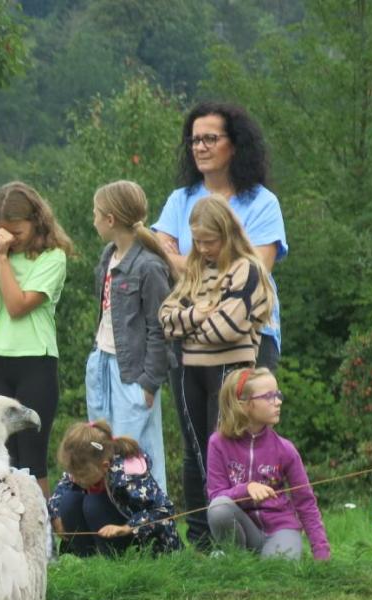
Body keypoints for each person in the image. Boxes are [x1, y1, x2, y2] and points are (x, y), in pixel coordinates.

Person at [159, 195, 272, 548]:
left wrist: (191, 323)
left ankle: (236, 537)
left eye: (211, 241)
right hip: (187, 372)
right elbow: (165, 319)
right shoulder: (194, 269)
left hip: (230, 369)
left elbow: (229, 327)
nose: (204, 248)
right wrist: (200, 313)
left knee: (225, 451)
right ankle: (201, 540)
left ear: (227, 234)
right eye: (198, 241)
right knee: (195, 454)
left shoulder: (246, 269)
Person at [153, 102, 286, 371]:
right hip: (190, 335)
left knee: (241, 414)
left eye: (210, 139)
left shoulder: (262, 203)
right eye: (194, 140)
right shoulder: (180, 200)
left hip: (249, 335)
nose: (200, 147)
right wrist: (224, 263)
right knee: (193, 416)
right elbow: (158, 257)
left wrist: (180, 260)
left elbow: (254, 274)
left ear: (235, 144)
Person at [0, 181, 74, 494]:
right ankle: (6, 529)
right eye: (3, 232)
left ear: (36, 223)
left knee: (32, 455)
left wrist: (2, 260)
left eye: (17, 233)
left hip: (35, 362)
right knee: (3, 454)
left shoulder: (51, 257)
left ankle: (41, 534)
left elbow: (17, 307)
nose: (11, 240)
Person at [86, 181, 173, 493]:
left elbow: (159, 329)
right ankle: (111, 513)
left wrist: (149, 383)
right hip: (102, 363)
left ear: (110, 220)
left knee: (137, 449)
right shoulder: (108, 256)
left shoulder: (149, 266)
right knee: (101, 446)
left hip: (132, 372)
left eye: (96, 214)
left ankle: (152, 521)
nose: (92, 220)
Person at [205, 368, 329, 560]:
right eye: (269, 396)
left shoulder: (285, 449)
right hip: (245, 529)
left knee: (278, 569)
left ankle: (255, 557)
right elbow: (216, 496)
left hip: (280, 528)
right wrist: (246, 489)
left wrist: (321, 552)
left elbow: (306, 503)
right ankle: (236, 561)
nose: (278, 401)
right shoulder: (217, 443)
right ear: (244, 404)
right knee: (218, 508)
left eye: (277, 395)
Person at [48, 420, 181, 558]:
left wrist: (127, 528)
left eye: (80, 475)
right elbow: (59, 492)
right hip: (106, 528)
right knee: (69, 501)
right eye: (72, 473)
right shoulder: (82, 466)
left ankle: (116, 561)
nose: (74, 479)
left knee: (93, 504)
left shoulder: (128, 473)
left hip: (139, 539)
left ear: (104, 466)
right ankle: (88, 560)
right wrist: (56, 517)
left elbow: (164, 511)